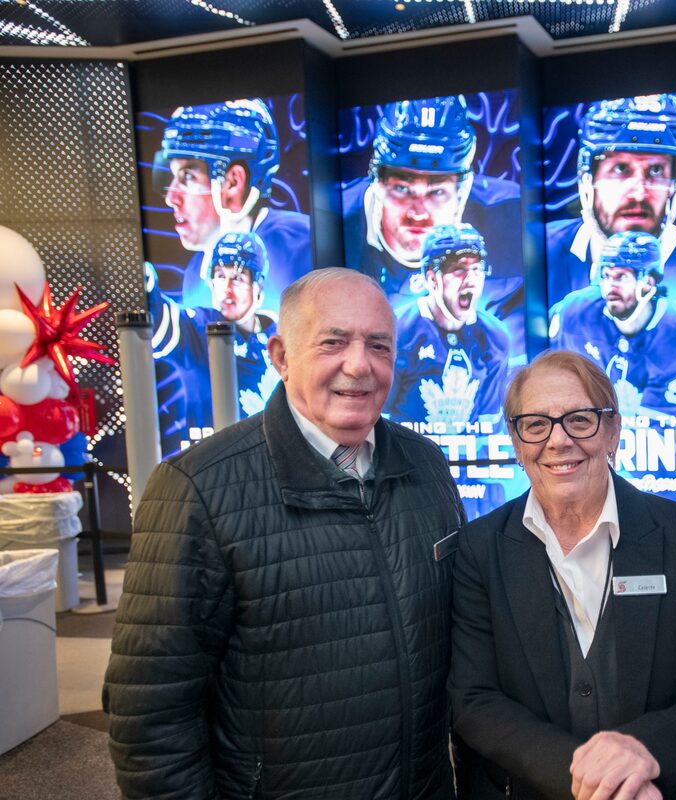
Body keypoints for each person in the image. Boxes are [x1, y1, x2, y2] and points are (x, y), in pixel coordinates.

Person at [104, 268, 465, 799]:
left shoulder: (426, 466)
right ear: (280, 356)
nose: (359, 365)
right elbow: (150, 709)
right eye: (333, 342)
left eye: (379, 346)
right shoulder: (198, 487)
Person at [448, 350, 676, 799]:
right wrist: (590, 782)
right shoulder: (479, 548)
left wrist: (642, 754)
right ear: (515, 442)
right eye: (536, 424)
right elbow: (474, 701)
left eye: (580, 419)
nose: (558, 441)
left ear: (613, 430)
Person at [544, 94, 676, 350]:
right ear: (586, 178)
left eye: (655, 171)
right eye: (620, 169)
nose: (638, 193)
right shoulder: (537, 255)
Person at [341, 95, 522, 313]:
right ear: (376, 182)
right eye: (402, 188)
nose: (418, 213)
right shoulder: (334, 224)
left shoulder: (513, 221)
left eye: (436, 192)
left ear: (462, 192)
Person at [155, 98, 312, 311]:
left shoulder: (300, 244)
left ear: (233, 183)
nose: (171, 198)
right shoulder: (195, 273)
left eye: (188, 177)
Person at [549, 231, 676, 420]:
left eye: (621, 277)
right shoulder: (574, 311)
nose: (610, 286)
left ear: (648, 282)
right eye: (606, 275)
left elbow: (665, 430)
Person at [147, 231, 280, 454]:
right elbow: (163, 321)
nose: (226, 289)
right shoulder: (201, 327)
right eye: (219, 276)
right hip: (213, 462)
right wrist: (149, 287)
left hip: (273, 461)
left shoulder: (280, 334)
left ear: (258, 285)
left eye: (237, 278)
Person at [387, 222, 511, 427]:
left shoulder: (494, 336)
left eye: (477, 269)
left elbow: (488, 424)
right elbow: (380, 418)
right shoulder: (398, 331)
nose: (471, 279)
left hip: (468, 454)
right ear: (432, 277)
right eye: (459, 269)